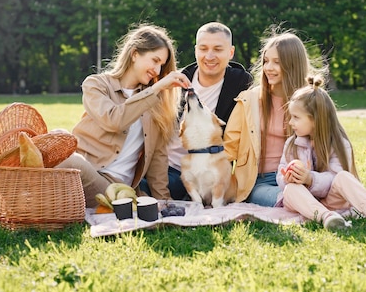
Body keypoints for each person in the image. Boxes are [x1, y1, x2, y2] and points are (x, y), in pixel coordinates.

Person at [57, 24, 191, 208]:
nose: (158, 71)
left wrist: (165, 201)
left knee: (69, 161)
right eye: (155, 60)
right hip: (86, 171)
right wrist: (156, 89)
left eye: (161, 65)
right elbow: (114, 120)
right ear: (135, 54)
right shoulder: (96, 84)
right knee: (64, 152)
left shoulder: (154, 102)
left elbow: (158, 159)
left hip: (117, 189)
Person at [141, 22, 253, 199]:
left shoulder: (241, 85)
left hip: (203, 173)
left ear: (230, 52)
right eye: (203, 48)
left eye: (217, 49)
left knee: (145, 190)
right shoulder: (177, 81)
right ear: (196, 51)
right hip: (165, 164)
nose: (209, 56)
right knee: (132, 183)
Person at [277, 75, 366, 231]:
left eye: (296, 117)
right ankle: (327, 217)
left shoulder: (339, 144)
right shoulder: (291, 144)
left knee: (344, 177)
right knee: (290, 190)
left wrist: (310, 179)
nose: (290, 122)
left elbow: (336, 177)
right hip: (306, 202)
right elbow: (281, 174)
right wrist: (287, 178)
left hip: (333, 200)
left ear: (315, 119)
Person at [223, 30, 321, 206]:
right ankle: (315, 208)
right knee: (284, 196)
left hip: (302, 176)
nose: (268, 67)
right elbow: (229, 149)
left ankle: (310, 203)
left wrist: (314, 179)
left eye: (277, 62)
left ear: (293, 64)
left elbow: (331, 145)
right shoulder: (248, 100)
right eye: (266, 61)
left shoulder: (311, 101)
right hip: (261, 182)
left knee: (308, 192)